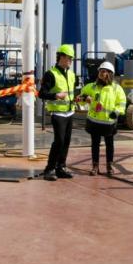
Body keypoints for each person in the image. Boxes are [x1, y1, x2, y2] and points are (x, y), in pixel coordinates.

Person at [79, 61, 127, 176]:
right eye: (100, 71)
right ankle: (95, 166)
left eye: (104, 71)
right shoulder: (91, 87)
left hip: (109, 123)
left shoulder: (116, 89)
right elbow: (80, 96)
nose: (101, 73)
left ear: (110, 74)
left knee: (109, 145)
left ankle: (109, 166)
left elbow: (122, 103)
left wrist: (116, 113)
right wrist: (85, 97)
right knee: (95, 144)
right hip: (94, 121)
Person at [38, 44, 77, 180]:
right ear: (61, 56)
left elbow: (74, 92)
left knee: (66, 141)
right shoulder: (51, 74)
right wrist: (55, 96)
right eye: (69, 58)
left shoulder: (72, 75)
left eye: (72, 58)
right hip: (58, 113)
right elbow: (41, 93)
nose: (71, 60)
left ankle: (61, 167)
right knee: (59, 141)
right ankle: (49, 169)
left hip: (70, 112)